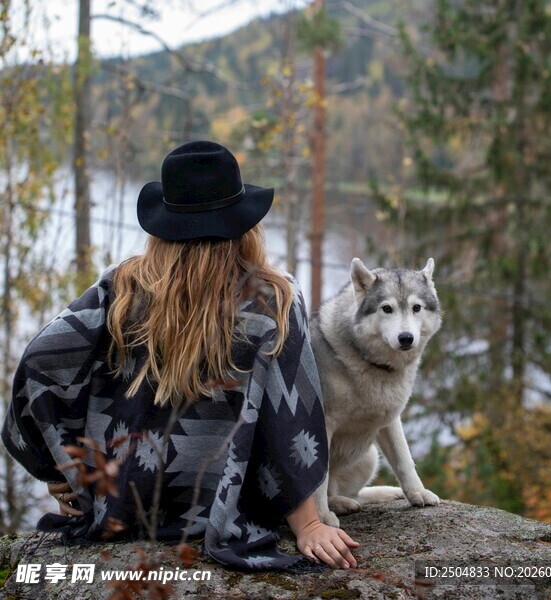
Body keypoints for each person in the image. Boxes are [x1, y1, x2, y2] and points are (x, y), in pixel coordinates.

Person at [1, 140, 359, 572]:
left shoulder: (124, 286)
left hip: (126, 502)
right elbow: (288, 417)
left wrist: (62, 470)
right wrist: (309, 526)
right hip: (225, 505)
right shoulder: (272, 299)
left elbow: (41, 360)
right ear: (245, 223)